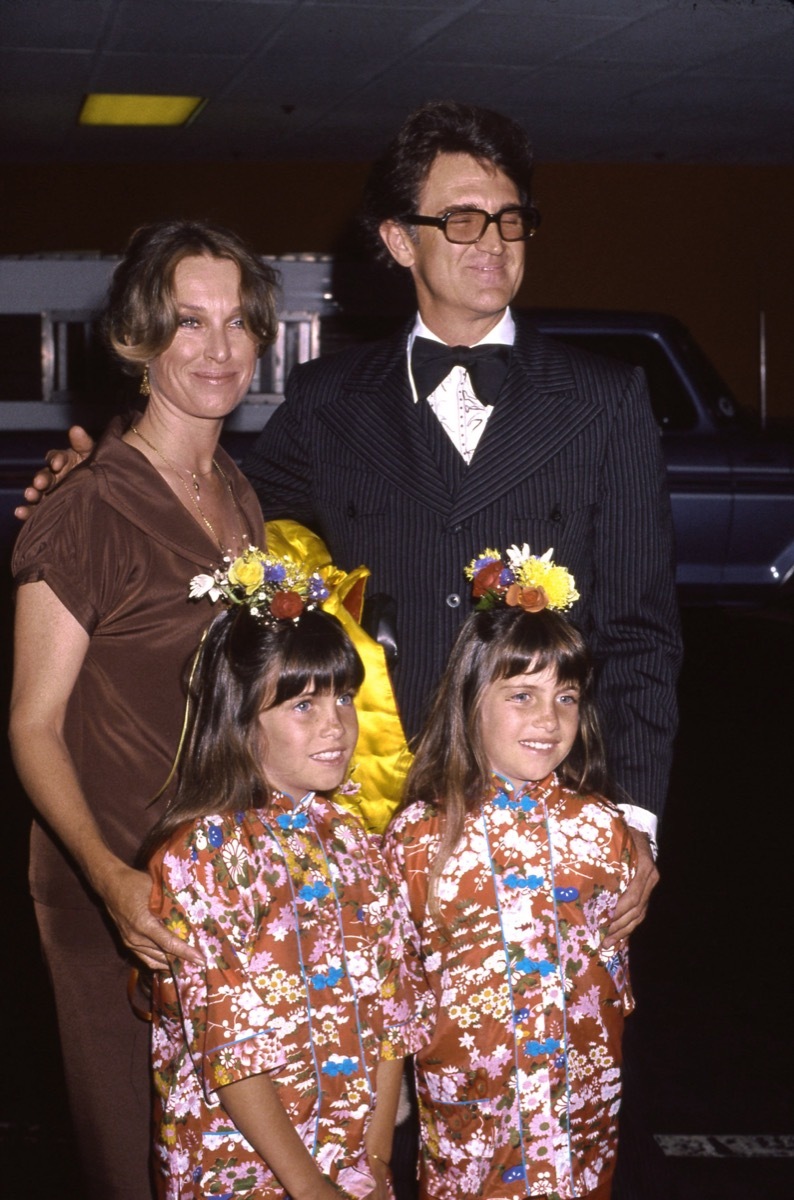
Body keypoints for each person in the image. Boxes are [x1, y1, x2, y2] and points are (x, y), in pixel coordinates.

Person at [19, 99, 681, 939]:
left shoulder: (606, 400)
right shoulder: (327, 400)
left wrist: (634, 821)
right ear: (400, 240)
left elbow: (641, 634)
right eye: (463, 218)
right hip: (368, 828)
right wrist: (89, 472)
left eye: (510, 219)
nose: (493, 241)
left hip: (550, 822)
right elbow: (208, 507)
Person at [9, 218, 277, 1199]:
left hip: (222, 882)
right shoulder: (87, 507)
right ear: (136, 339)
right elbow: (31, 724)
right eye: (188, 322)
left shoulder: (235, 492)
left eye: (237, 322)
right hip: (120, 887)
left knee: (227, 1163)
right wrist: (111, 879)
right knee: (137, 1159)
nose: (218, 349)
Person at [141, 555, 430, 1200]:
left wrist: (375, 1161)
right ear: (242, 719)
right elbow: (228, 1047)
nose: (336, 725)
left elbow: (391, 1009)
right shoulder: (206, 854)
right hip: (244, 1167)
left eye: (344, 698)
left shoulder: (352, 840)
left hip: (352, 1160)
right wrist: (308, 1186)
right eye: (304, 705)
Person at [383, 546, 636, 1200]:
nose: (549, 720)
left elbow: (612, 982)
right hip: (471, 1138)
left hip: (580, 1132)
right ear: (471, 699)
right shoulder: (419, 839)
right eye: (523, 695)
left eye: (566, 697)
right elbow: (391, 1003)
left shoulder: (603, 830)